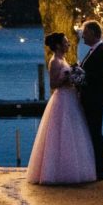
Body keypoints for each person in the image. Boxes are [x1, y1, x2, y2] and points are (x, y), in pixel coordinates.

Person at [26, 32, 96, 185]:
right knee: (60, 134)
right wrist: (67, 77)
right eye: (65, 42)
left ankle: (71, 169)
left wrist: (74, 77)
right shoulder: (54, 62)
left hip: (70, 97)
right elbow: (53, 84)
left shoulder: (63, 59)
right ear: (58, 45)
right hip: (62, 99)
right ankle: (55, 172)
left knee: (73, 134)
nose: (68, 44)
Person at [78, 20, 103, 181]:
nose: (82, 36)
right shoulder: (94, 51)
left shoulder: (101, 53)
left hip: (95, 100)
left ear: (92, 33)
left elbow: (96, 78)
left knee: (95, 133)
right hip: (91, 99)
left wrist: (79, 78)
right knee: (92, 133)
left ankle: (100, 168)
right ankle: (95, 167)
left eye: (84, 33)